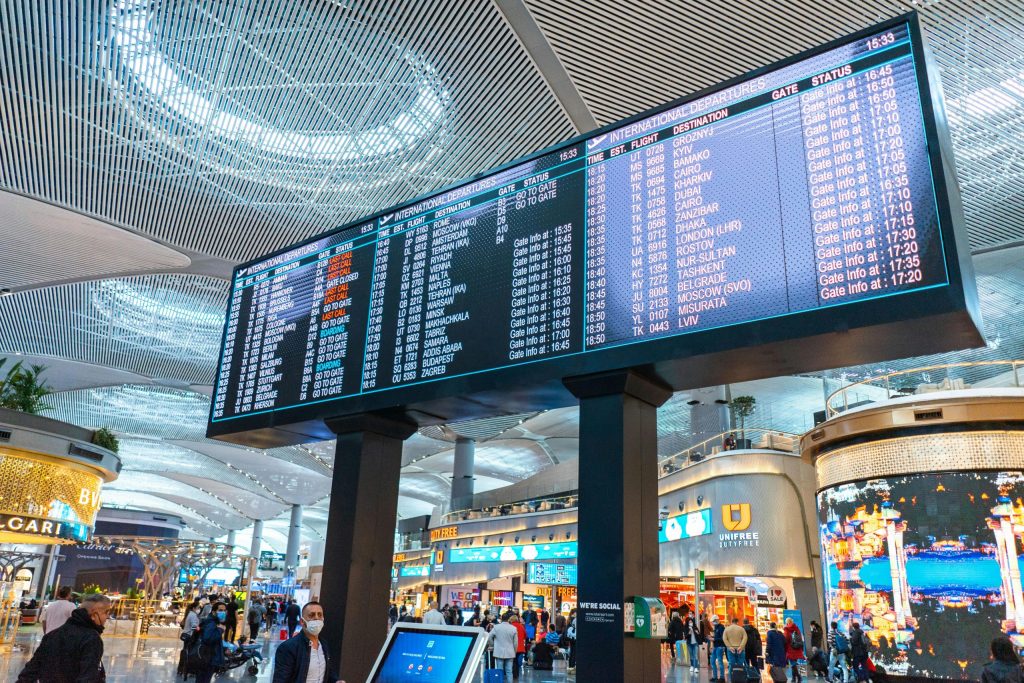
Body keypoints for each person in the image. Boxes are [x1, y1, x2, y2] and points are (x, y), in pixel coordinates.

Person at [17, 593, 111, 683]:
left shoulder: (52, 635)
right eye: (106, 613)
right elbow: (88, 677)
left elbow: (30, 672)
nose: (107, 617)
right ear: (94, 615)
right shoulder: (91, 639)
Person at [273, 600, 345, 683]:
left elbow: (326, 671)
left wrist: (336, 681)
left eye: (320, 615)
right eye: (311, 615)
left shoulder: (323, 644)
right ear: (302, 622)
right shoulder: (288, 648)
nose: (316, 618)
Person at [489, 614, 518, 682]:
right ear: (508, 619)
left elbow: (489, 637)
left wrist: (493, 645)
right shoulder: (513, 628)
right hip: (510, 652)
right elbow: (515, 642)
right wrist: (515, 651)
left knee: (500, 670)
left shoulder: (496, 627)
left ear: (501, 618)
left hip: (499, 652)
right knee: (509, 671)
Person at [784, 617, 804, 683]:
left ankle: (799, 677)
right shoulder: (796, 628)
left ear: (787, 622)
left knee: (793, 664)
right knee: (794, 664)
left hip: (790, 649)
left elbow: (786, 639)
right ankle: (794, 679)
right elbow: (800, 638)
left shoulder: (787, 629)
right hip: (797, 648)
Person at [684, 609, 702, 675]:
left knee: (695, 655)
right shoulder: (686, 628)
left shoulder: (695, 627)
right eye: (689, 622)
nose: (690, 623)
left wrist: (697, 632)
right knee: (691, 655)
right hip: (689, 643)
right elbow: (685, 636)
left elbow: (699, 634)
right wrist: (689, 632)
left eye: (691, 622)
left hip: (695, 643)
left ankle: (696, 667)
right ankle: (691, 666)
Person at [709, 615, 725, 682]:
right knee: (712, 661)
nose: (712, 623)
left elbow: (722, 638)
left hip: (720, 647)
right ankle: (715, 676)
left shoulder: (721, 627)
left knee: (720, 662)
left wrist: (714, 639)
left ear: (716, 620)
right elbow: (717, 637)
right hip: (716, 647)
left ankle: (722, 677)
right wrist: (712, 637)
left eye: (713, 621)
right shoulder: (715, 627)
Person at [511, 614, 527, 679]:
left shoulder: (511, 626)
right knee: (517, 661)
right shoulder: (521, 626)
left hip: (513, 647)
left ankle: (514, 674)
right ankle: (516, 674)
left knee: (513, 661)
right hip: (520, 647)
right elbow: (525, 635)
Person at [566, 611, 577, 675]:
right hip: (574, 638)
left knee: (572, 652)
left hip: (571, 638)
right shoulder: (574, 619)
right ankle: (572, 667)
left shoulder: (569, 619)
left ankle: (571, 667)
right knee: (574, 653)